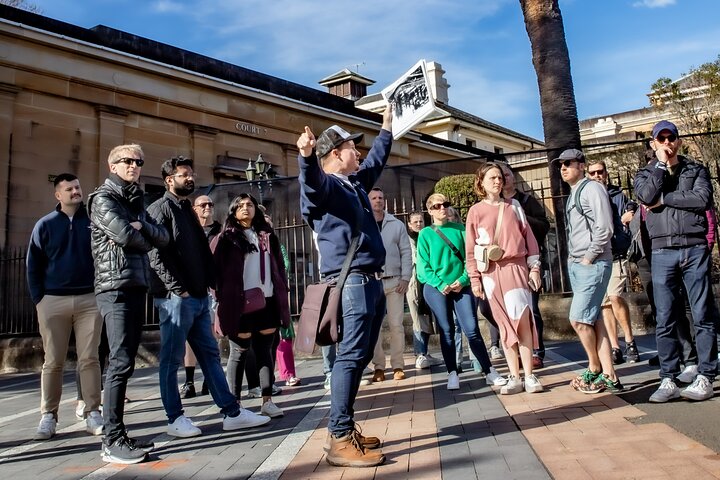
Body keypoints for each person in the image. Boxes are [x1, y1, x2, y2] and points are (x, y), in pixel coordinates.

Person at [296, 106, 393, 467]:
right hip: (350, 282)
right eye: (354, 147)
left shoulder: (352, 184)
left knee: (361, 356)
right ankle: (338, 436)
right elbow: (311, 184)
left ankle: (344, 426)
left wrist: (386, 129)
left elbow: (376, 163)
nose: (360, 153)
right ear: (335, 154)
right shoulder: (325, 187)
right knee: (350, 358)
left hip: (369, 282)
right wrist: (305, 156)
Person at [148, 156, 270, 439]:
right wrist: (178, 288)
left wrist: (211, 285)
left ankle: (232, 412)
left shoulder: (186, 210)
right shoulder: (159, 209)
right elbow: (155, 254)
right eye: (183, 175)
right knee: (171, 359)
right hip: (176, 298)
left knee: (211, 356)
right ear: (169, 180)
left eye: (191, 173)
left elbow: (201, 252)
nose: (190, 178)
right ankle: (174, 418)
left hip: (200, 297)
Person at [88, 144, 169, 464]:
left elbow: (162, 237)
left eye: (138, 162)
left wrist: (142, 227)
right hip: (114, 288)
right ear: (112, 165)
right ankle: (111, 440)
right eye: (127, 161)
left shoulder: (134, 200)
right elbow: (125, 236)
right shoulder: (102, 198)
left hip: (136, 285)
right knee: (119, 363)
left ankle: (118, 433)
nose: (134, 166)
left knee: (126, 363)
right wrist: (140, 231)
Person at [634, 120, 717, 402]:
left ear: (678, 141)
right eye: (662, 139)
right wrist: (659, 168)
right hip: (662, 252)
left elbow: (702, 199)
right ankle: (668, 378)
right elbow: (645, 196)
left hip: (694, 249)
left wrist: (665, 198)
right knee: (666, 317)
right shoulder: (646, 172)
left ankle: (706, 374)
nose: (667, 143)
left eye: (671, 138)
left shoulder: (695, 169)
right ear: (654, 144)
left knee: (703, 314)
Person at [26, 173, 104, 440]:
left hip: (89, 300)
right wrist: (40, 298)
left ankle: (93, 412)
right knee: (53, 361)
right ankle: (49, 416)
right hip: (52, 300)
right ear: (58, 195)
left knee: (90, 358)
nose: (75, 192)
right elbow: (32, 264)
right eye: (69, 189)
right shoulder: (45, 225)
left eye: (78, 187)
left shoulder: (94, 221)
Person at [465, 163, 544, 394]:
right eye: (492, 178)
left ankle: (529, 375)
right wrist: (475, 279)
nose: (497, 181)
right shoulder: (475, 211)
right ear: (481, 182)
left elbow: (529, 239)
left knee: (522, 321)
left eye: (499, 177)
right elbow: (470, 248)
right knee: (503, 323)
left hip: (516, 267)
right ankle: (514, 375)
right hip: (490, 273)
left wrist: (534, 268)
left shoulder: (514, 207)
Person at [416, 193, 506, 391]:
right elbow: (422, 268)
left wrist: (463, 279)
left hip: (462, 286)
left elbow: (471, 258)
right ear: (430, 210)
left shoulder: (460, 229)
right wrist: (440, 284)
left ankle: (489, 370)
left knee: (471, 329)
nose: (443, 209)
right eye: (438, 206)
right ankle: (452, 373)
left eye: (446, 204)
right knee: (446, 330)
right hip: (436, 288)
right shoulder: (425, 234)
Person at [212, 194, 289, 419]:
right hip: (239, 304)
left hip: (268, 300)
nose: (246, 208)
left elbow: (279, 267)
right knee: (239, 352)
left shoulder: (267, 236)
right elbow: (215, 272)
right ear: (233, 211)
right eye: (241, 206)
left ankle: (267, 401)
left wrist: (281, 290)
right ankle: (234, 406)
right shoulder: (226, 238)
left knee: (265, 351)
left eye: (250, 205)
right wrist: (223, 298)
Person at [555, 148, 622, 393]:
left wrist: (589, 257)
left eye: (568, 163)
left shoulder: (592, 188)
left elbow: (605, 227)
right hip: (578, 264)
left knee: (578, 318)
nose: (563, 168)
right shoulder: (574, 193)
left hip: (591, 264)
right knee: (593, 320)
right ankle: (609, 374)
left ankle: (594, 368)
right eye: (560, 164)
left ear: (581, 165)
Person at [586, 159, 640, 364]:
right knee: (605, 303)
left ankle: (630, 340)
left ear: (606, 173)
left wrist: (628, 215)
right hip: (597, 255)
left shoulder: (617, 195)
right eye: (592, 173)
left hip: (617, 252)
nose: (597, 175)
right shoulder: (587, 199)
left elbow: (631, 212)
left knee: (615, 296)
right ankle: (615, 346)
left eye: (600, 172)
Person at [498, 162, 551, 369]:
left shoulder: (527, 201)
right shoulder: (495, 204)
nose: (504, 179)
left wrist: (520, 217)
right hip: (503, 265)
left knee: (531, 307)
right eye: (500, 176)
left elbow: (544, 225)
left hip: (528, 261)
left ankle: (537, 351)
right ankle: (517, 348)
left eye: (507, 175)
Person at [179, 194, 223, 399]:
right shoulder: (189, 229)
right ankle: (189, 381)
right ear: (195, 208)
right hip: (193, 287)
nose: (208, 207)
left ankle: (209, 379)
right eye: (203, 204)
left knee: (212, 334)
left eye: (210, 204)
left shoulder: (220, 230)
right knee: (190, 336)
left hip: (213, 288)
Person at [368, 187, 412, 382]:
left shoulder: (396, 224)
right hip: (371, 282)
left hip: (394, 281)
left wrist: (405, 278)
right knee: (374, 328)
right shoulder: (363, 222)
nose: (378, 200)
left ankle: (398, 365)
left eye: (380, 197)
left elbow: (406, 251)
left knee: (396, 326)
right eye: (374, 198)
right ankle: (378, 367)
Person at [406, 211, 443, 369]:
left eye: (421, 221)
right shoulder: (408, 240)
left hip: (430, 281)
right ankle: (420, 354)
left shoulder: (429, 235)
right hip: (414, 282)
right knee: (417, 318)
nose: (419, 224)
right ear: (409, 224)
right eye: (415, 222)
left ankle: (424, 353)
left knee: (427, 318)